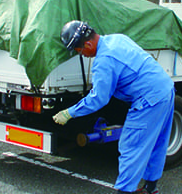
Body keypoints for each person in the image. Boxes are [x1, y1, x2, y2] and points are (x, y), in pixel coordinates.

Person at [54, 20, 175, 194]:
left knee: (131, 146)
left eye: (78, 50)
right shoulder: (117, 39)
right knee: (157, 142)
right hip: (165, 89)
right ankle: (151, 189)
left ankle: (124, 191)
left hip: (149, 99)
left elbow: (99, 98)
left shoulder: (104, 61)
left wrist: (69, 113)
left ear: (87, 44)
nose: (80, 54)